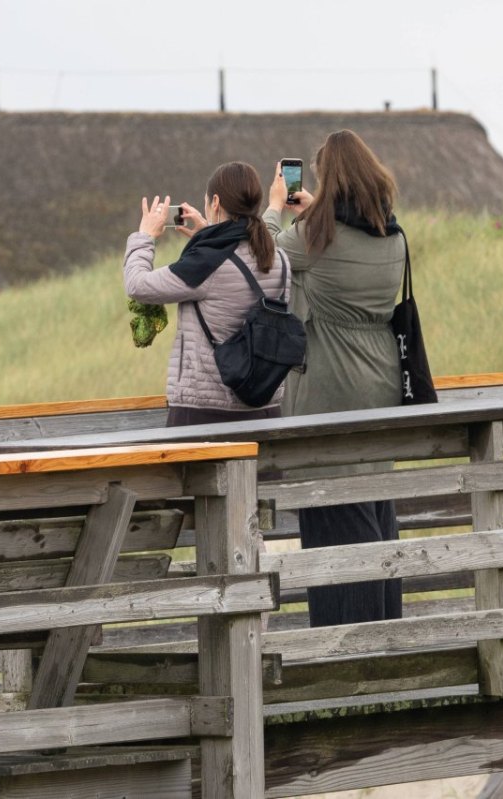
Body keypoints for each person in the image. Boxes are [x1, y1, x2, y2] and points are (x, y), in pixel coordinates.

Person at [263, 129, 406, 627]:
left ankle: (349, 655)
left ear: (329, 177)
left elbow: (266, 252)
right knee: (375, 514)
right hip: (383, 387)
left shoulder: (313, 238)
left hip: (330, 389)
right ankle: (388, 632)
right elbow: (337, 261)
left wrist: (276, 204)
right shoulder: (393, 235)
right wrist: (314, 214)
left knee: (334, 528)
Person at [124, 161, 291, 427]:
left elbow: (137, 285)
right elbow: (235, 268)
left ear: (215, 202)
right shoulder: (278, 256)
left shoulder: (207, 263)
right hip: (266, 410)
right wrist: (207, 235)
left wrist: (145, 236)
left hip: (206, 414)